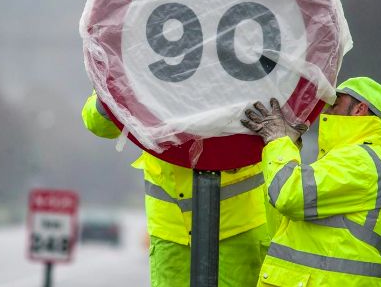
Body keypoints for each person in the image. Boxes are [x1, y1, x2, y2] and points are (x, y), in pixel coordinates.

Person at [82, 91, 270, 287]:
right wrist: (115, 89)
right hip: (172, 232)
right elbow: (99, 124)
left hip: (241, 226)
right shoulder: (135, 62)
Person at [241, 77, 381, 287]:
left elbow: (287, 195)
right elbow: (283, 224)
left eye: (335, 104)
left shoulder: (361, 160)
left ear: (359, 109)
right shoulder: (344, 158)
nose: (326, 112)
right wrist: (289, 145)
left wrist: (278, 141)